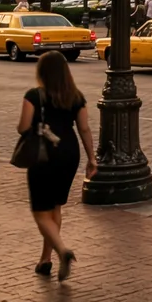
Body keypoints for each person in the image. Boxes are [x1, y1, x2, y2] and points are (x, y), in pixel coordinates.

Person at [18, 49, 95, 280]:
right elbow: (84, 128)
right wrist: (92, 158)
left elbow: (23, 127)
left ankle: (62, 251)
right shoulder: (77, 96)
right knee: (55, 207)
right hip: (69, 153)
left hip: (44, 154)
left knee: (40, 212)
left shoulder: (34, 95)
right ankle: (45, 259)